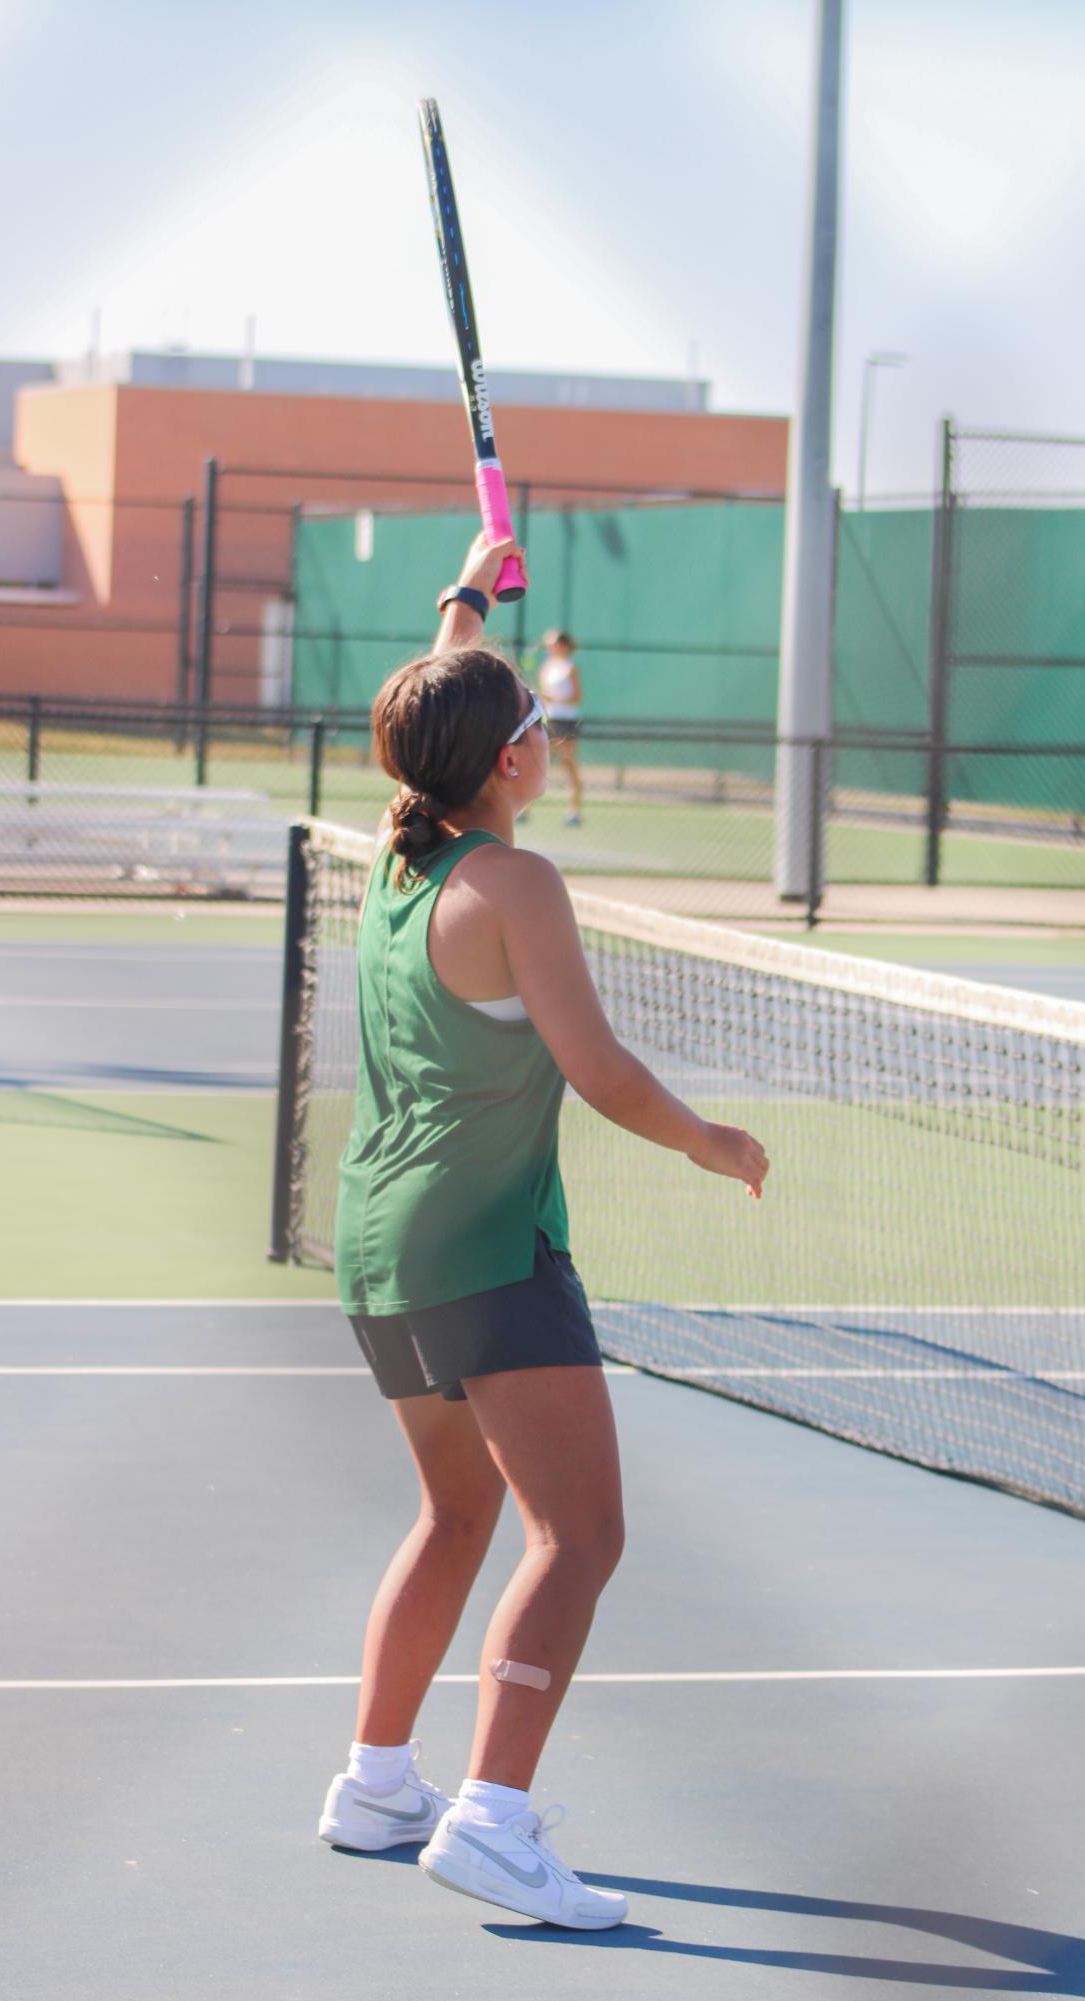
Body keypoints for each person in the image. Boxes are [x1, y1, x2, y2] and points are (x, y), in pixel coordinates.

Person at [316, 530, 769, 1931]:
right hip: (490, 1248)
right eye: (538, 726)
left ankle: (375, 1781)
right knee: (576, 1536)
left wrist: (466, 592)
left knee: (454, 1514)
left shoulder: (400, 855)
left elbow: (433, 705)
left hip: (378, 1247)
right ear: (512, 760)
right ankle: (493, 1821)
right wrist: (710, 1141)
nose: (543, 736)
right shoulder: (515, 887)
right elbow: (603, 1071)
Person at [536, 628, 584, 825]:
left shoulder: (570, 667)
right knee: (539, 764)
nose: (549, 647)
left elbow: (576, 698)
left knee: (568, 764)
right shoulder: (547, 667)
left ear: (563, 645)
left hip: (566, 721)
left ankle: (574, 811)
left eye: (553, 643)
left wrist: (553, 698)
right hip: (549, 720)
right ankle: (523, 810)